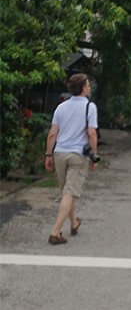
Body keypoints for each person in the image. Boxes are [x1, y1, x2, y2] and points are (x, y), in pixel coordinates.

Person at [45, 73, 98, 245]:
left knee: (67, 192)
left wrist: (48, 155)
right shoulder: (89, 107)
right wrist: (94, 155)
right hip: (77, 155)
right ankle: (55, 232)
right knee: (69, 193)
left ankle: (74, 223)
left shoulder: (61, 107)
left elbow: (53, 133)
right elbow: (91, 133)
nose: (89, 87)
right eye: (88, 85)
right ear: (83, 88)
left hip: (59, 153)